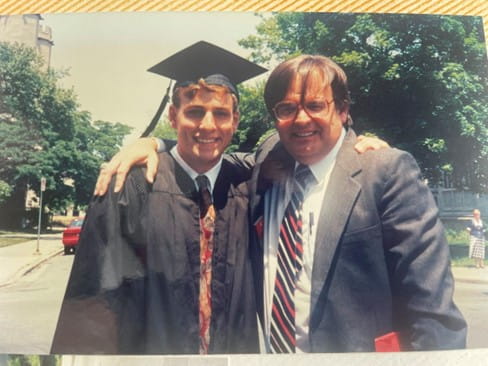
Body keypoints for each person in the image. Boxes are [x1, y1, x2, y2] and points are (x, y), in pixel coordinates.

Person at [94, 54, 466, 352]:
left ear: (342, 110)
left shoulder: (384, 170)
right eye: (287, 109)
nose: (301, 119)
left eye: (316, 105)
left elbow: (433, 315)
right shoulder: (267, 162)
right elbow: (208, 153)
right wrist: (155, 144)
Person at [51, 41, 267, 354]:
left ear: (235, 120)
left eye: (220, 114)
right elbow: (93, 306)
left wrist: (360, 144)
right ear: (173, 116)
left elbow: (282, 146)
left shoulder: (247, 183)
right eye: (194, 112)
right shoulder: (130, 185)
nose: (208, 125)